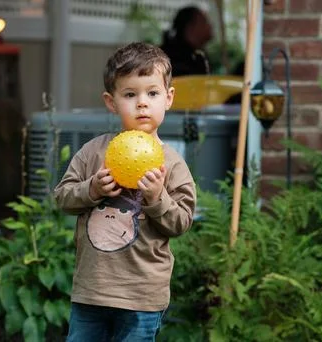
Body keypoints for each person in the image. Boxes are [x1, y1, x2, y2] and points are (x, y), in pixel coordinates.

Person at [54, 42, 196, 341]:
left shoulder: (172, 164)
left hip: (142, 296)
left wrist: (157, 199)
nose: (142, 103)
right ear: (111, 101)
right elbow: (63, 197)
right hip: (93, 291)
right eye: (130, 94)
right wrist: (91, 189)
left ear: (168, 98)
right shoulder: (94, 152)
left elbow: (181, 222)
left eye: (152, 93)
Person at [160, 5, 214, 77]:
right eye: (204, 22)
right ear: (190, 28)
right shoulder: (172, 60)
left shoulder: (197, 54)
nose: (210, 26)